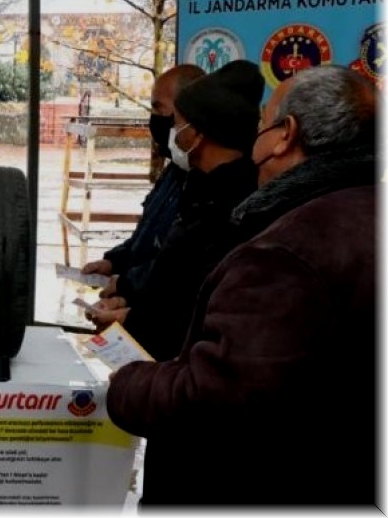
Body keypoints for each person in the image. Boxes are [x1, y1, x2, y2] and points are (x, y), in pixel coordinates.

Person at [107, 66, 377, 506]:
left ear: (285, 135)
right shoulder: (361, 214)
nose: (255, 141)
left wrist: (127, 384)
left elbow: (214, 396)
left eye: (263, 124)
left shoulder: (289, 251)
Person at [88, 61, 261, 361]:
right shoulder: (199, 190)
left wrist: (131, 317)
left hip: (179, 373)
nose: (172, 132)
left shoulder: (234, 210)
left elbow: (195, 307)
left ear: (196, 133)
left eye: (176, 122)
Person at [80, 64, 204, 298]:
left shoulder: (207, 187)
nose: (154, 120)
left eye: (159, 109)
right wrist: (112, 263)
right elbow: (145, 238)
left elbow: (178, 268)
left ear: (189, 113)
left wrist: (127, 284)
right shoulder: (173, 171)